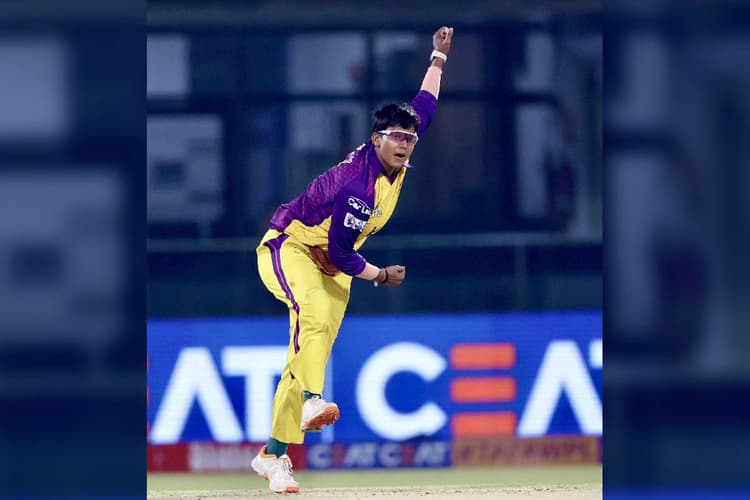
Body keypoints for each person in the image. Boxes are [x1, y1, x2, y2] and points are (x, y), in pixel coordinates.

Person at [251, 26, 454, 493]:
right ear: (376, 139)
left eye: (410, 138)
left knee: (306, 352)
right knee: (313, 317)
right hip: (291, 248)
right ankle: (313, 399)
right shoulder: (359, 188)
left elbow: (425, 105)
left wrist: (437, 58)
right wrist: (380, 275)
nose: (405, 143)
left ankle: (273, 456)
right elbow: (342, 252)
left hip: (334, 261)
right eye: (396, 137)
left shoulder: (399, 153)